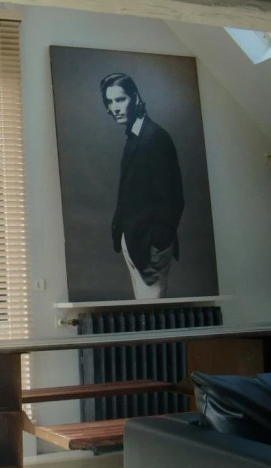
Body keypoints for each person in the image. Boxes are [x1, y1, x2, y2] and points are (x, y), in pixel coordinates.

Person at [100, 72, 184, 299]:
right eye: (110, 102)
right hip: (134, 242)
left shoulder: (155, 137)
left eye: (120, 99)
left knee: (153, 312)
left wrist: (157, 244)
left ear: (135, 98)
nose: (115, 108)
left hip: (149, 248)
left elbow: (173, 199)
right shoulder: (135, 136)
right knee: (144, 311)